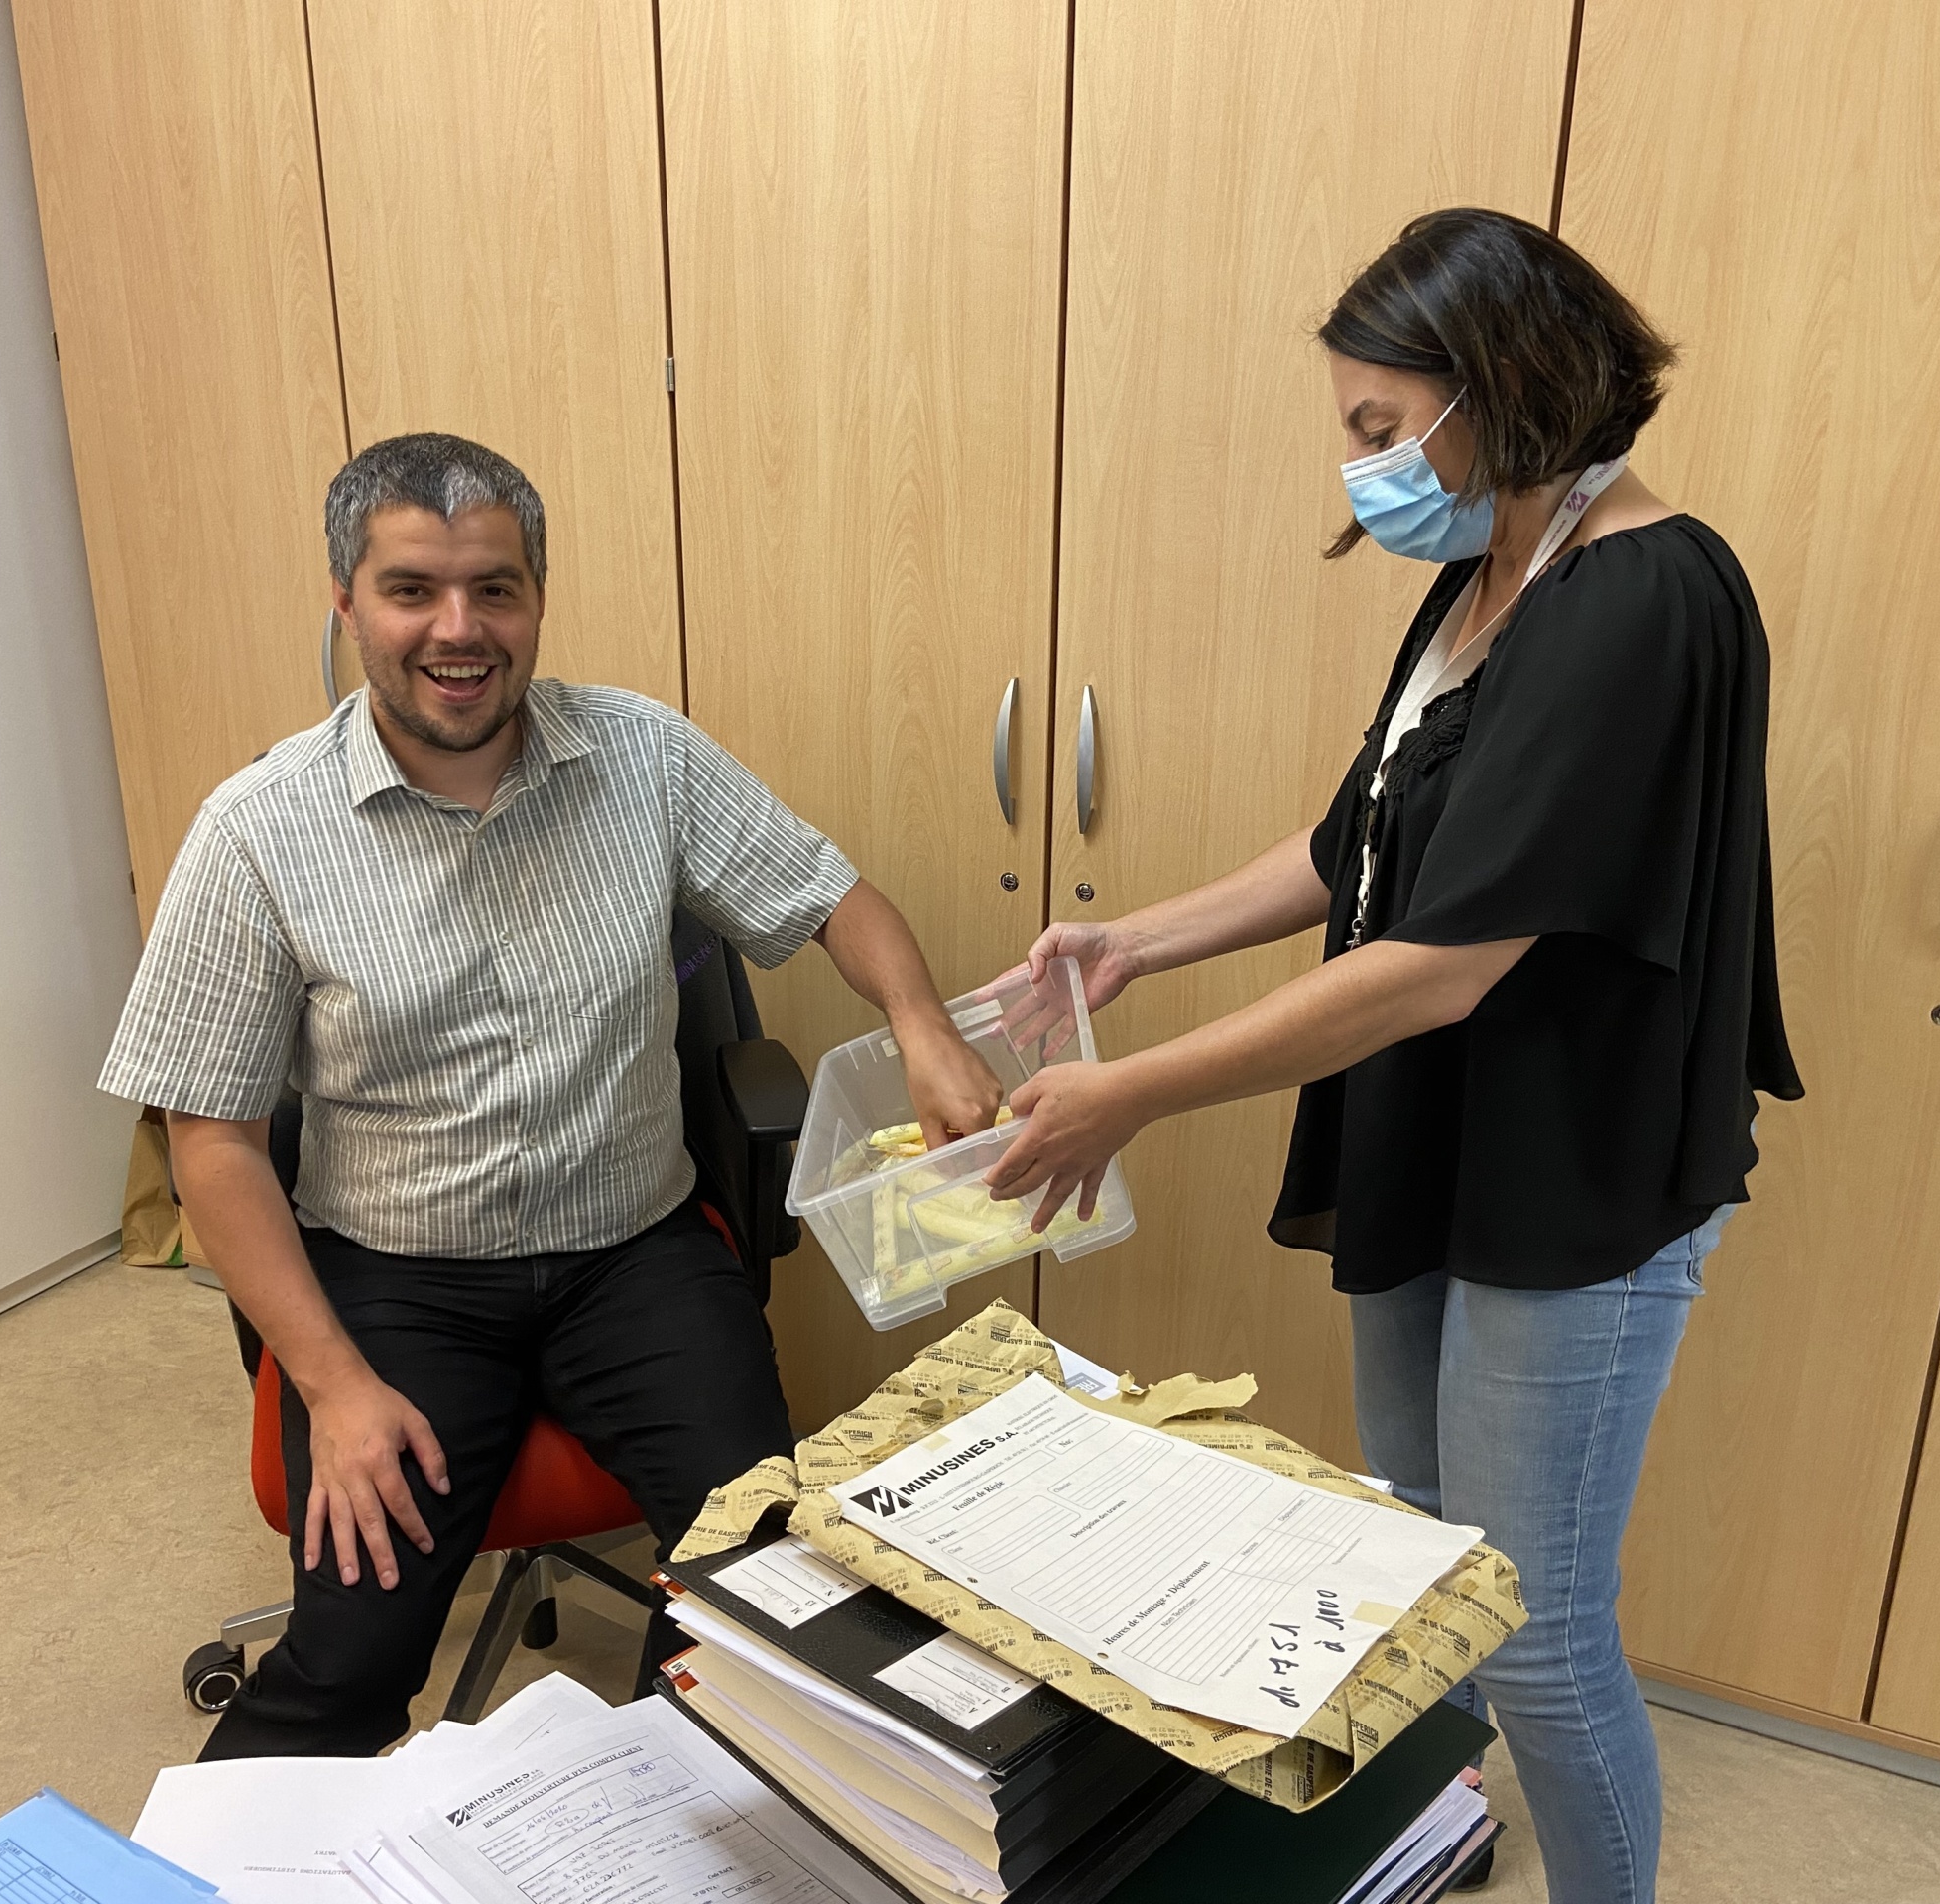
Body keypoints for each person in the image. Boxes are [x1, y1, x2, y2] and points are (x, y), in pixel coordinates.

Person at [988, 209, 1803, 1904]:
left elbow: (1441, 964)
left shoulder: (1642, 597)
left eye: (1379, 424)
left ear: (1497, 387)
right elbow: (1359, 839)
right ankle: (1438, 1834)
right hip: (1437, 1142)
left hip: (1572, 1177)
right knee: (1424, 1559)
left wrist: (1132, 1092)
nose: (1360, 465)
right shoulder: (1486, 572)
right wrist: (1136, 942)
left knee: (1537, 1623)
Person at [101, 432, 1003, 1759]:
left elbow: (833, 899)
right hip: (395, 1275)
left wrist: (922, 1025)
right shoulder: (257, 829)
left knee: (768, 1608)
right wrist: (333, 1387)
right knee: (352, 1659)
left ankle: (671, 1816)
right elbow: (214, 1144)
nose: (458, 629)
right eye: (412, 590)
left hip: (633, 1252)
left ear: (536, 595)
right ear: (347, 602)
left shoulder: (644, 756)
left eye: (495, 588)